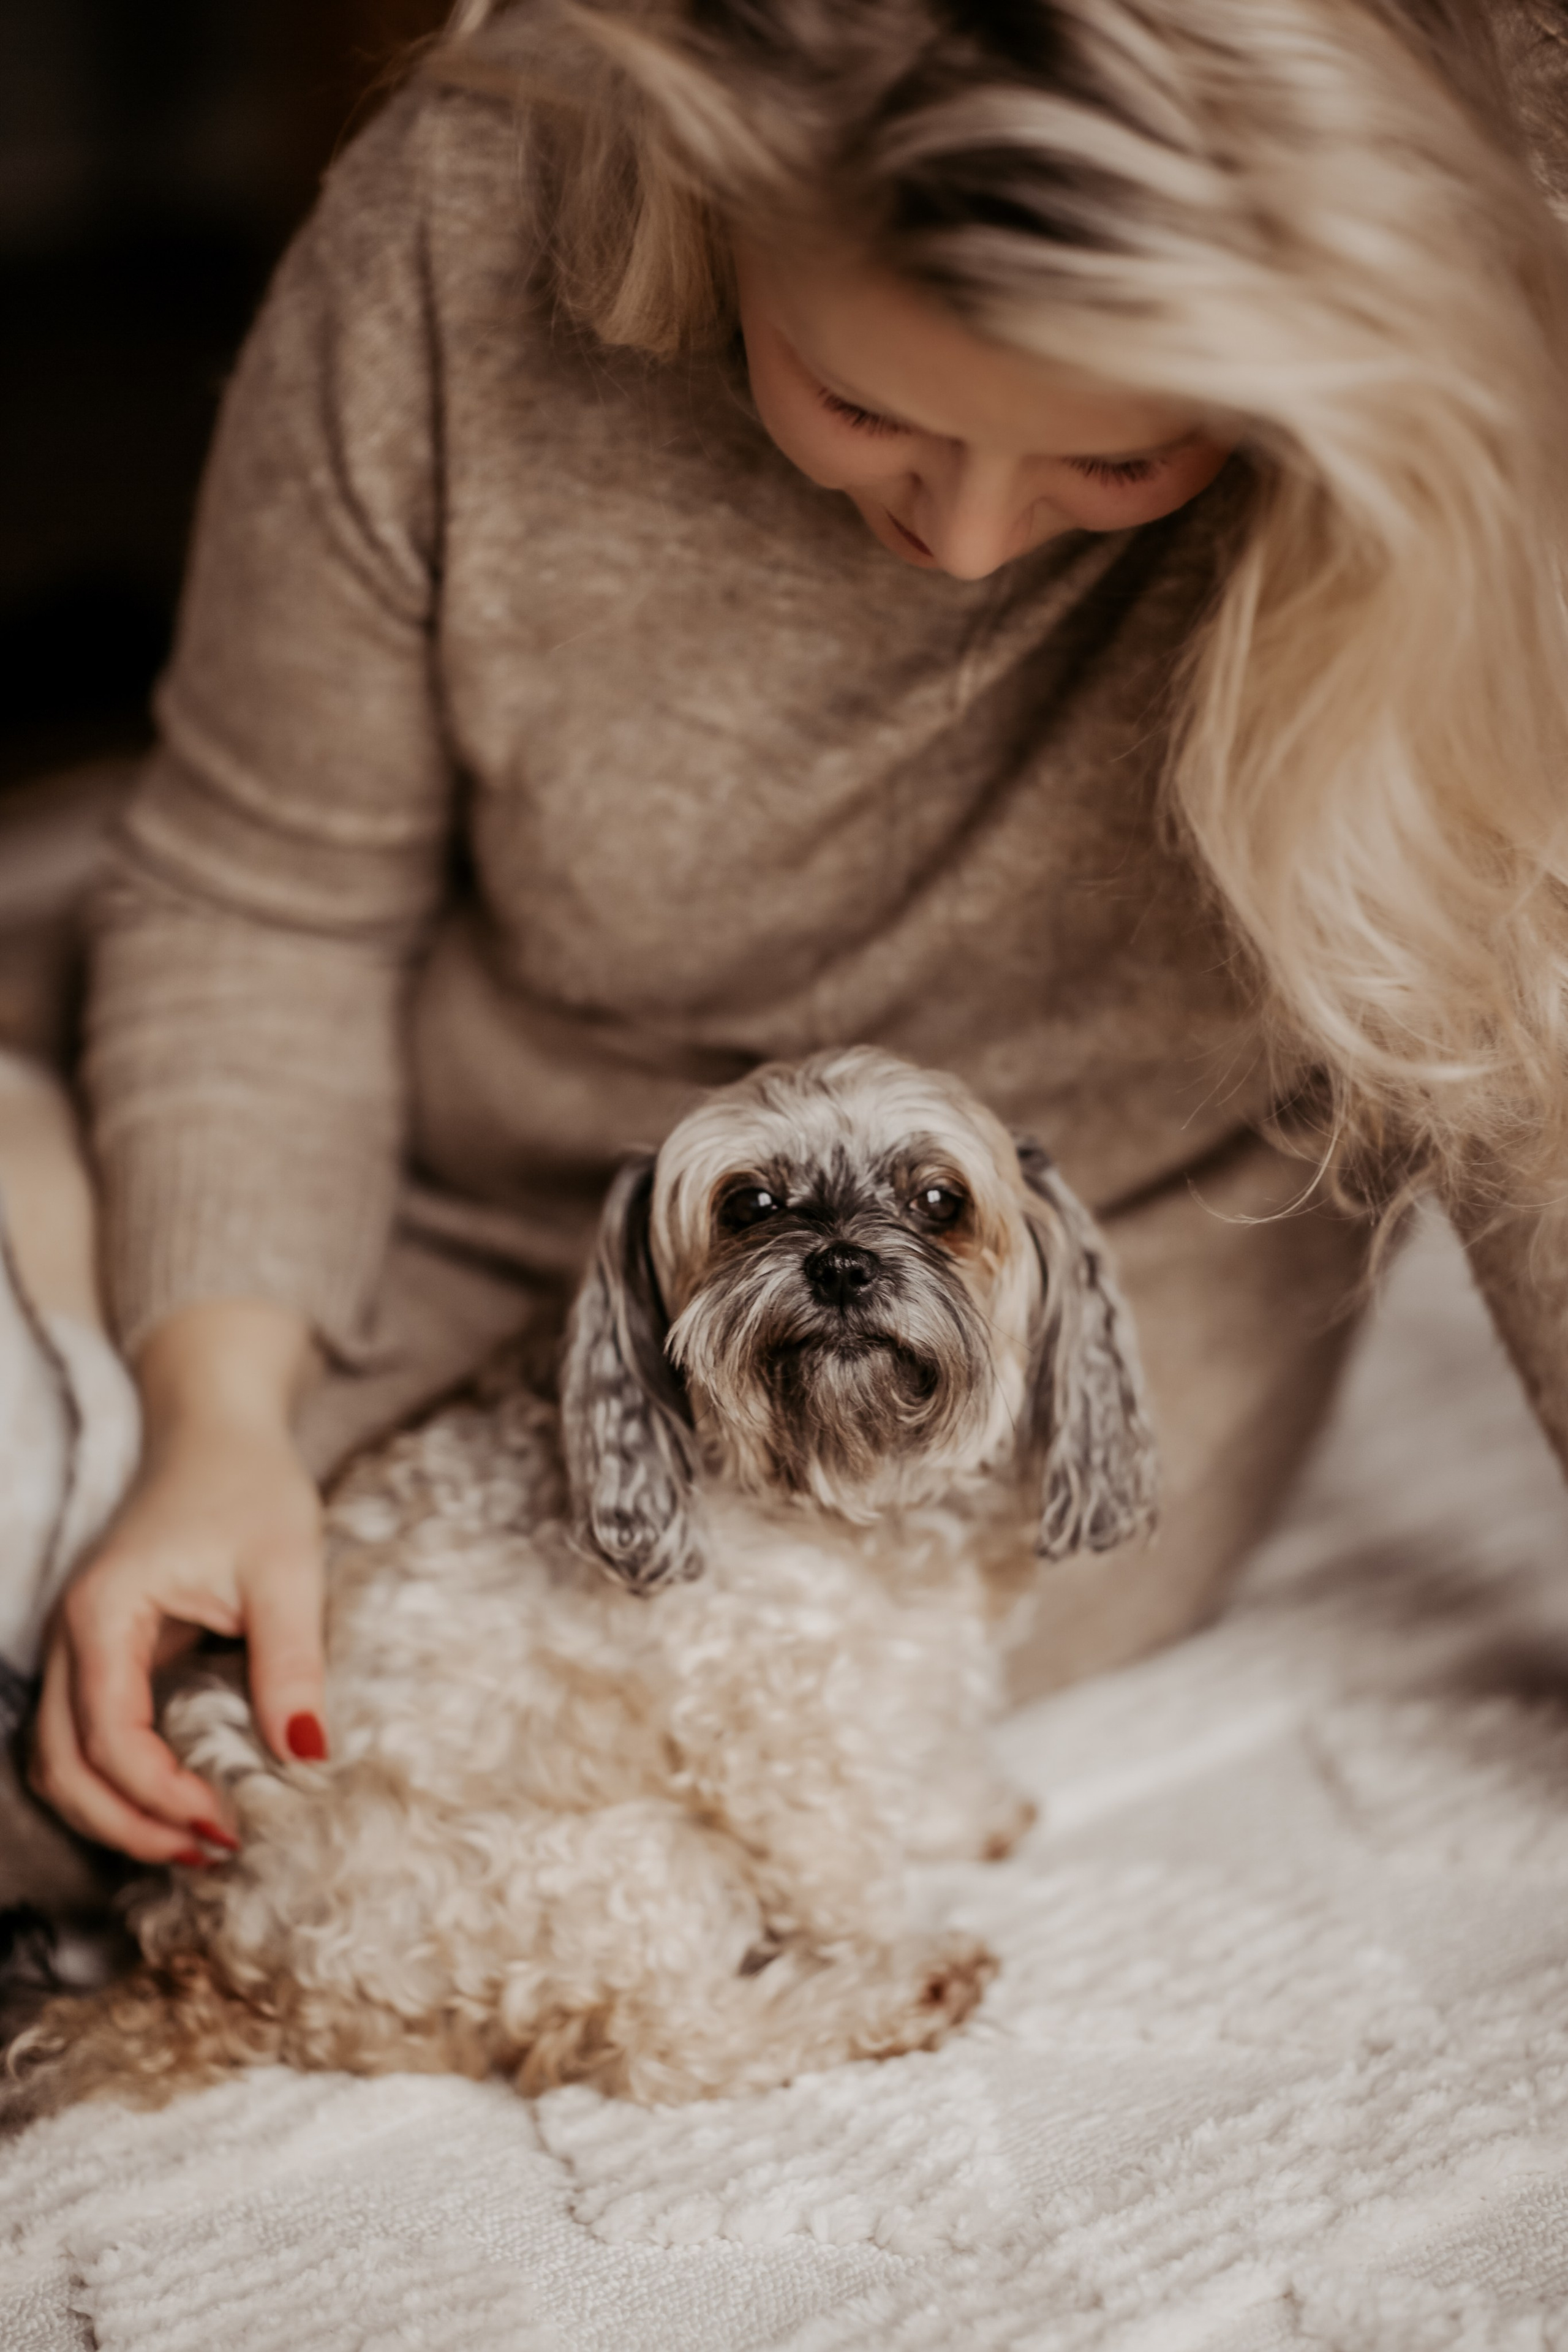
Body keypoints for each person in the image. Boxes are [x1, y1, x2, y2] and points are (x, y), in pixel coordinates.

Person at [16, 0, 1568, 1871]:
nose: (975, 538)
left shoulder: (1502, 300)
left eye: (1129, 457)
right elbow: (261, 885)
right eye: (866, 406)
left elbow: (1531, 1039)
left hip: (986, 1351)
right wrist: (215, 1416)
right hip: (413, 1180)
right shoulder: (471, 197)